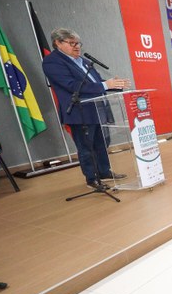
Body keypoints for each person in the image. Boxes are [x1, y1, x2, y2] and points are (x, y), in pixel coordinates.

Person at [42, 28, 130, 190]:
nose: (77, 47)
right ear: (58, 43)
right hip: (79, 112)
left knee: (102, 143)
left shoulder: (83, 61)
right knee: (86, 147)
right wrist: (104, 85)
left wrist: (114, 85)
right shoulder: (52, 62)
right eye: (72, 43)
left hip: (98, 109)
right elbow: (71, 85)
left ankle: (104, 171)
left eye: (78, 43)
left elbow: (95, 82)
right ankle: (92, 179)